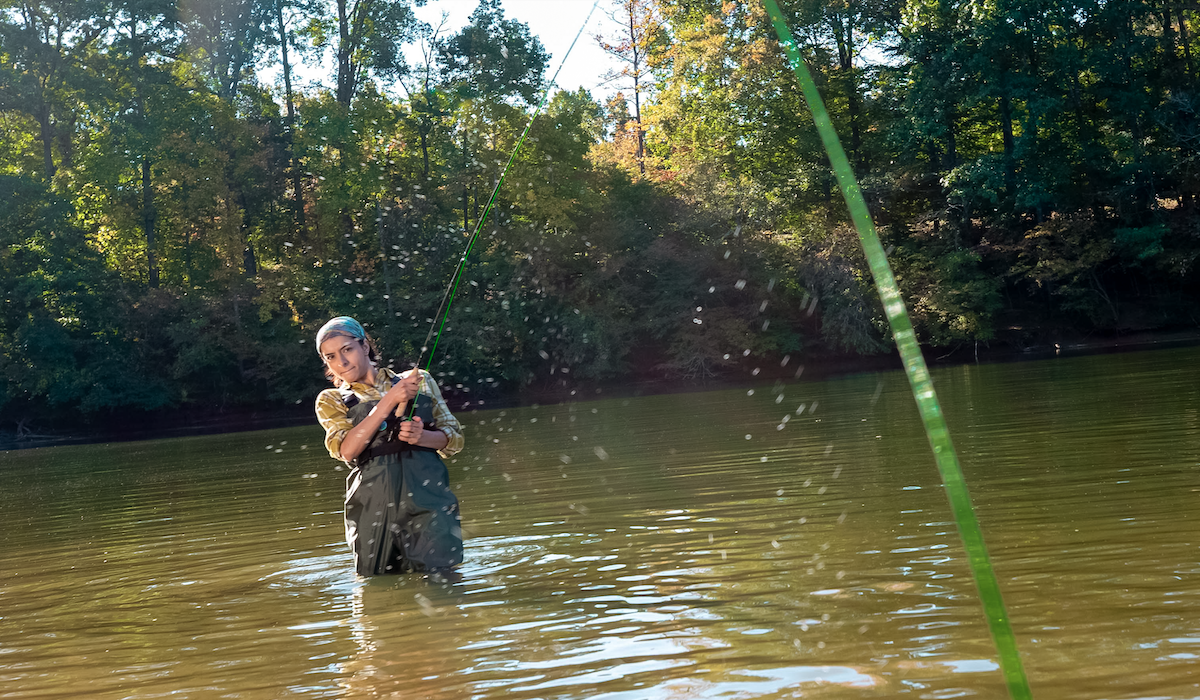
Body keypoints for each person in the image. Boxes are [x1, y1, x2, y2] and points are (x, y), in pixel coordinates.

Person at [313, 316, 465, 576]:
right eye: (331, 357)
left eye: (347, 349)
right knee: (378, 589)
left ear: (364, 346)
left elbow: (455, 439)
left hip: (429, 501)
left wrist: (423, 437)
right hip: (372, 507)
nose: (342, 362)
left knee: (442, 582)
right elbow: (346, 450)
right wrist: (389, 401)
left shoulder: (420, 381)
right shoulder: (330, 400)